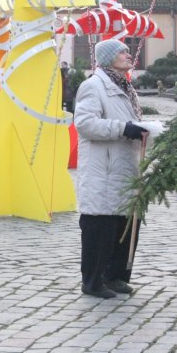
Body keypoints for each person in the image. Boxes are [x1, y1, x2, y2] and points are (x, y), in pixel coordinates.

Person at [74, 39, 148, 299]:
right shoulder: (93, 86)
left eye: (128, 51)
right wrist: (123, 128)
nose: (129, 55)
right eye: (123, 51)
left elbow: (130, 119)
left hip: (125, 166)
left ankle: (115, 276)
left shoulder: (125, 86)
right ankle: (93, 281)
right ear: (108, 58)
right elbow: (85, 124)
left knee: (124, 226)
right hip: (103, 169)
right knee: (100, 227)